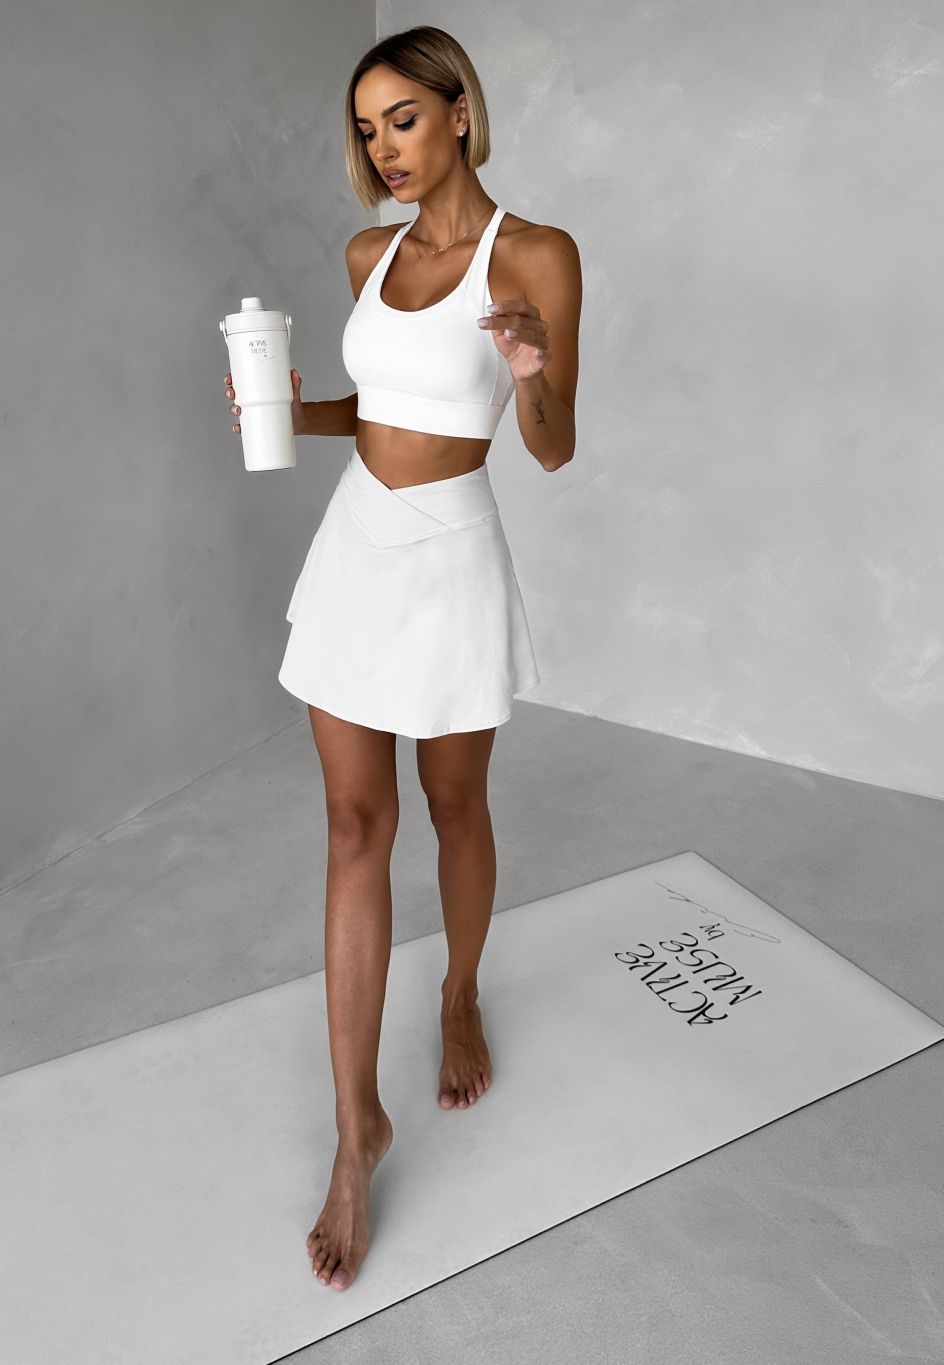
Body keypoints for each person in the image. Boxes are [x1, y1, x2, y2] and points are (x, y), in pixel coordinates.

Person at [222, 25, 581, 1293]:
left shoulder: (534, 254)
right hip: (356, 546)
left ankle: (459, 992)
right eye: (367, 129)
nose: (383, 147)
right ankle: (353, 1130)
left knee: (453, 803)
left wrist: (529, 368)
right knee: (351, 827)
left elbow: (552, 444)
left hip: (449, 552)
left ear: (459, 111)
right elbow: (376, 414)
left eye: (403, 120)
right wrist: (282, 408)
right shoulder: (366, 254)